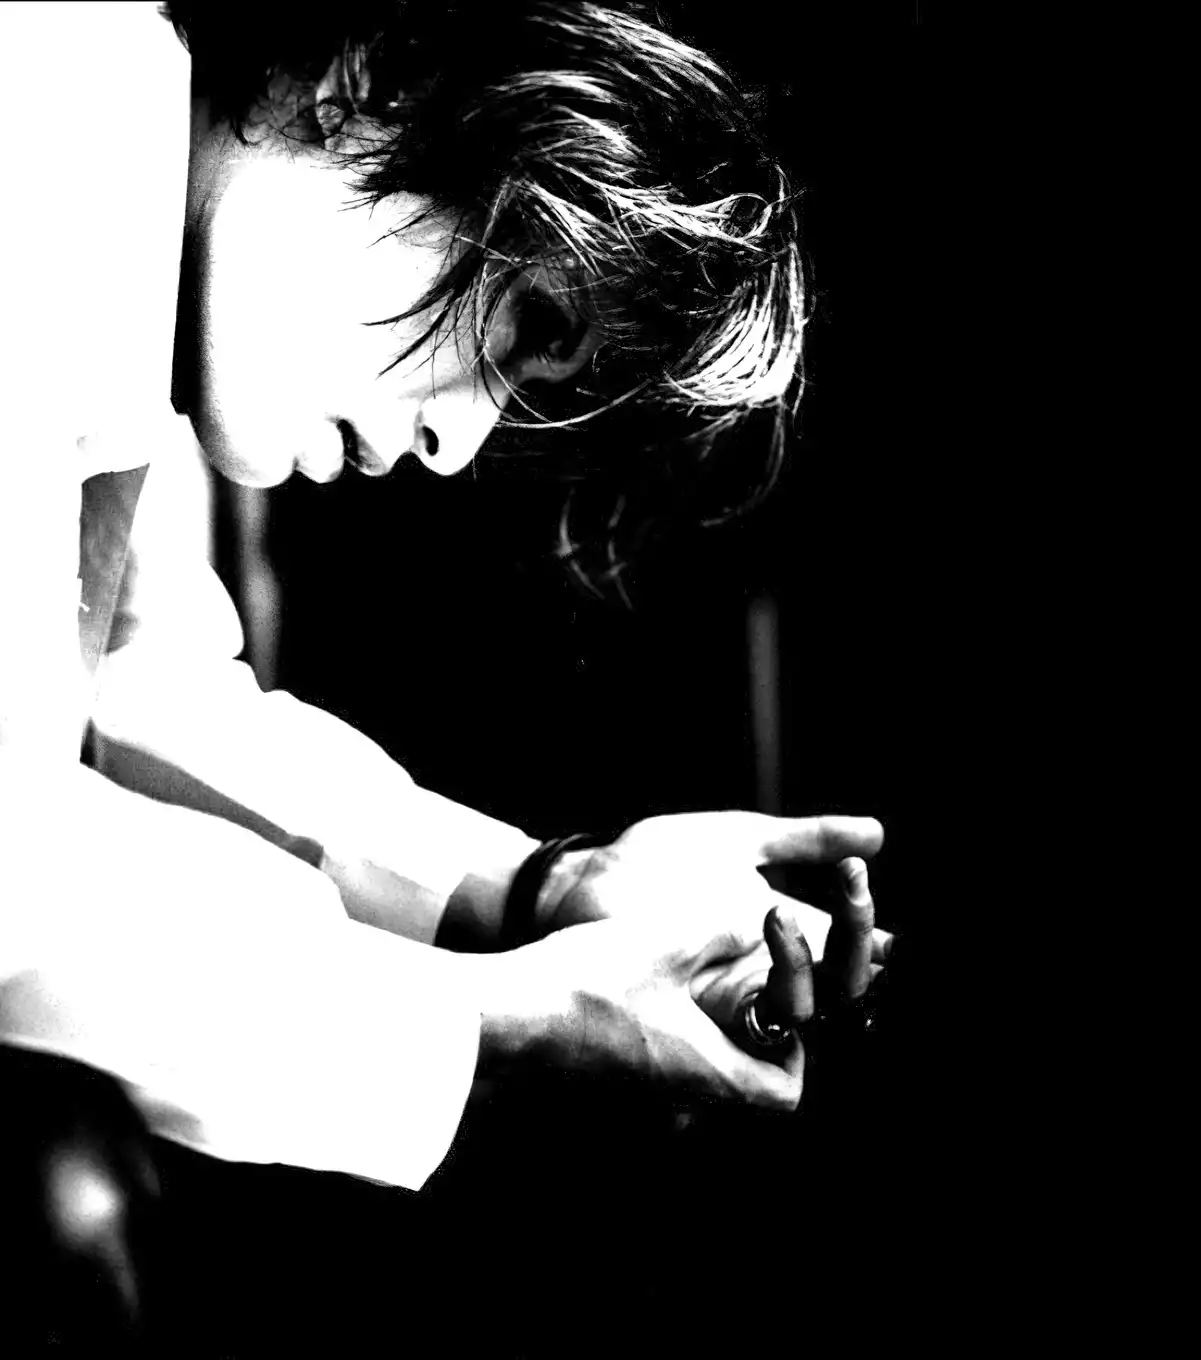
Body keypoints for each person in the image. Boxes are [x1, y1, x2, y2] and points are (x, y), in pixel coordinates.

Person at [0, 0, 888, 1197]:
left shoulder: (117, 206)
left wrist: (543, 894)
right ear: (366, 81)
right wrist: (494, 1025)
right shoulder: (43, 116)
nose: (454, 446)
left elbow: (132, 695)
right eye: (524, 321)